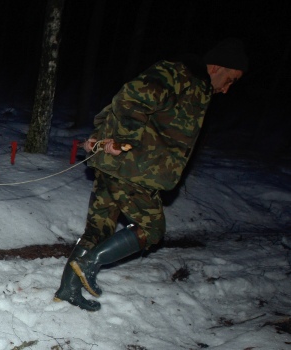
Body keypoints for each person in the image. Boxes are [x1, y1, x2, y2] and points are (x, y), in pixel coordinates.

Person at [54, 38, 248, 311]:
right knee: (152, 230)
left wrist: (100, 136)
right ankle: (88, 264)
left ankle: (68, 290)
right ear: (216, 67)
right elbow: (131, 97)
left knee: (98, 230)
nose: (228, 89)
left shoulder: (198, 88)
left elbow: (117, 108)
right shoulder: (180, 74)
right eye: (230, 79)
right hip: (134, 170)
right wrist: (119, 138)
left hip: (119, 168)